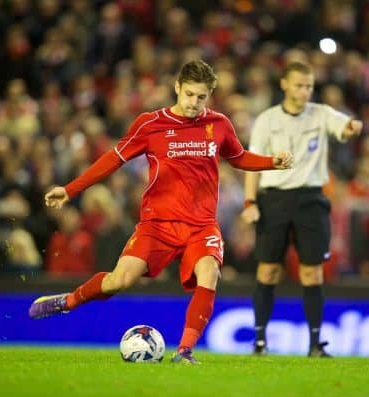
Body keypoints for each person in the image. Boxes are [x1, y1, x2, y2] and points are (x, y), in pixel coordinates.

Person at [28, 60, 292, 364]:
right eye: (189, 94)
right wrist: (70, 189)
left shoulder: (218, 125)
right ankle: (68, 301)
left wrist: (272, 162)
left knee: (210, 272)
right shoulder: (149, 124)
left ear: (210, 96)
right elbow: (113, 161)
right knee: (120, 280)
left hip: (201, 226)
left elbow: (239, 157)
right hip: (157, 225)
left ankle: (185, 351)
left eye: (201, 97)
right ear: (177, 87)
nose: (194, 103)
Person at [240, 61, 363, 357]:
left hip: (310, 200)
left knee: (312, 272)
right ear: (284, 84)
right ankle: (259, 342)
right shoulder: (267, 120)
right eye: (299, 85)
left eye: (308, 86)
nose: (304, 91)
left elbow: (343, 129)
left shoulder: (321, 114)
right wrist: (250, 202)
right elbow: (253, 163)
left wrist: (351, 128)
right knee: (268, 270)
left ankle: (315, 345)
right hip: (274, 200)